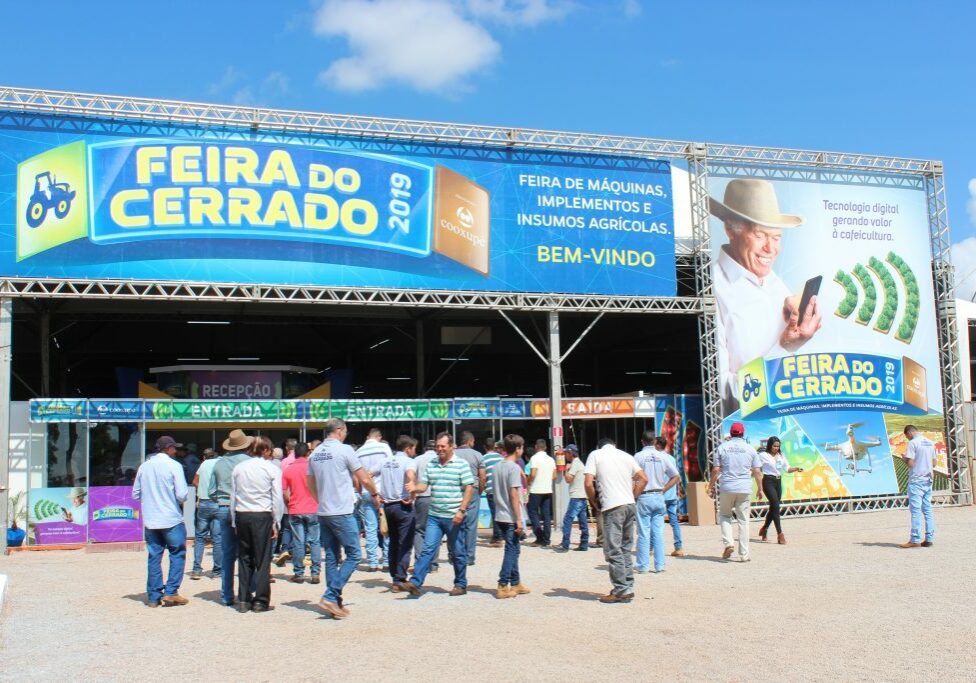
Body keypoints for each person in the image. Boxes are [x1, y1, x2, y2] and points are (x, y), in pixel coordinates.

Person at [710, 178, 822, 415]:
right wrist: (784, 347)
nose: (771, 249)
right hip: (741, 431)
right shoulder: (713, 288)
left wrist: (799, 339)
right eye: (760, 235)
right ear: (730, 229)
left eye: (777, 237)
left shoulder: (777, 286)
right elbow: (720, 390)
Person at [307, 418, 381, 619]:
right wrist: (375, 494)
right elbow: (364, 478)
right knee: (355, 554)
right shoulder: (345, 450)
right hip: (342, 510)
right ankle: (331, 595)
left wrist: (319, 500)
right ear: (339, 430)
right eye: (345, 431)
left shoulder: (315, 454)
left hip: (324, 511)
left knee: (332, 557)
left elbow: (310, 482)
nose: (346, 435)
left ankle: (335, 603)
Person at [402, 432, 474, 597]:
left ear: (451, 446)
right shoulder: (432, 463)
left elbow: (469, 487)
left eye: (442, 446)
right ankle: (415, 582)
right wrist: (414, 488)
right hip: (435, 515)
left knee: (457, 551)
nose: (439, 449)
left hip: (454, 516)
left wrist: (461, 510)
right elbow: (424, 485)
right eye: (437, 447)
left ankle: (460, 584)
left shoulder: (461, 464)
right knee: (428, 549)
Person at [584, 437, 647, 604]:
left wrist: (593, 501)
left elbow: (588, 483)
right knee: (625, 548)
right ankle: (628, 587)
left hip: (612, 506)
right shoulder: (626, 456)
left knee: (613, 549)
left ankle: (620, 590)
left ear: (600, 446)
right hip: (629, 504)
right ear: (614, 445)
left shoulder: (595, 455)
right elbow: (643, 479)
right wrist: (633, 495)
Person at [132, 436, 190, 607]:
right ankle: (171, 591)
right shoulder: (174, 466)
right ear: (169, 448)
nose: (176, 451)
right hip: (171, 518)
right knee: (177, 553)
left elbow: (135, 493)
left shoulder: (144, 466)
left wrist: (151, 498)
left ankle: (153, 596)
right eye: (174, 448)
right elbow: (182, 494)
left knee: (154, 556)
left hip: (151, 519)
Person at [230, 436, 284, 613]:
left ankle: (244, 599)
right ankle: (261, 601)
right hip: (262, 514)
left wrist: (233, 519)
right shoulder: (271, 468)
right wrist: (277, 521)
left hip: (242, 513)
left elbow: (233, 495)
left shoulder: (239, 468)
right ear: (266, 450)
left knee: (244, 557)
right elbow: (276, 497)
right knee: (262, 558)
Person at [208, 428, 254, 607]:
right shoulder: (249, 462)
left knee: (228, 554)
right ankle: (247, 591)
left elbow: (211, 490)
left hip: (223, 507)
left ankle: (226, 595)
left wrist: (221, 499)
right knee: (247, 552)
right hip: (243, 508)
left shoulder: (218, 463)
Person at [708, 422, 763, 561]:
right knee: (743, 520)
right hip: (744, 487)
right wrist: (760, 489)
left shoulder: (722, 447)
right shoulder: (750, 449)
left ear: (731, 433)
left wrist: (711, 485)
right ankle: (744, 555)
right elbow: (757, 471)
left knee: (725, 516)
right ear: (743, 434)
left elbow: (715, 470)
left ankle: (729, 543)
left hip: (727, 486)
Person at [634, 431, 681, 574]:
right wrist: (664, 489)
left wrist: (633, 495)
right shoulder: (663, 456)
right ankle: (660, 565)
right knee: (658, 532)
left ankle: (643, 565)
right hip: (659, 496)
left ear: (642, 441)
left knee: (643, 532)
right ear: (654, 442)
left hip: (644, 495)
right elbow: (676, 476)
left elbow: (633, 477)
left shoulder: (638, 456)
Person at [378, 436, 418, 590]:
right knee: (405, 542)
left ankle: (394, 574)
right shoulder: (409, 462)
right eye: (413, 448)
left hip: (388, 506)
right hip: (403, 505)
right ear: (408, 448)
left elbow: (368, 473)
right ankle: (400, 578)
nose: (414, 452)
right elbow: (410, 475)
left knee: (393, 541)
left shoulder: (385, 461)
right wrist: (412, 491)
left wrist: (376, 493)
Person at [493, 434, 530, 599]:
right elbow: (514, 494)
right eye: (521, 447)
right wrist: (519, 519)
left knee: (514, 549)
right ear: (517, 448)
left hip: (500, 514)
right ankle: (502, 584)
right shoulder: (513, 468)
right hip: (510, 516)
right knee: (511, 550)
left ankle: (516, 582)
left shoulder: (497, 466)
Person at [282, 443, 320, 584]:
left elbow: (284, 493)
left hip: (295, 508)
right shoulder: (313, 468)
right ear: (307, 453)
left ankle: (299, 573)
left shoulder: (288, 469)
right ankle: (315, 573)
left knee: (299, 542)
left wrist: (289, 504)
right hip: (313, 508)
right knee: (315, 541)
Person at [355, 428, 393, 571]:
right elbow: (390, 465)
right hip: (382, 492)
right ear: (379, 436)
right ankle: (387, 561)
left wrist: (360, 490)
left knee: (370, 528)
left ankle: (372, 562)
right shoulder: (384, 447)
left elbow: (356, 475)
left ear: (367, 437)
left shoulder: (358, 452)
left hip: (365, 492)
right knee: (386, 527)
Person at [757, 436, 803, 544]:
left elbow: (787, 469)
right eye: (774, 446)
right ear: (769, 445)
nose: (776, 448)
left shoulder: (781, 456)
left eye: (778, 446)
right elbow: (756, 467)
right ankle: (780, 534)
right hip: (768, 481)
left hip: (778, 482)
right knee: (776, 506)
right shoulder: (763, 455)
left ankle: (764, 529)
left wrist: (795, 469)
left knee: (774, 507)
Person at [900, 425, 936, 548]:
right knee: (927, 510)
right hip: (928, 478)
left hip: (916, 479)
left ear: (909, 432)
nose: (907, 438)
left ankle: (915, 539)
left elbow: (910, 464)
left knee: (915, 511)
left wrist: (904, 459)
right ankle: (929, 538)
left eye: (907, 436)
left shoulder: (913, 443)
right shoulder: (930, 442)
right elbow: (934, 462)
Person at [453, 431, 486, 565]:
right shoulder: (477, 455)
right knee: (471, 525)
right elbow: (483, 476)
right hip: (473, 489)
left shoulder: (453, 454)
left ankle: (455, 554)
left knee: (456, 523)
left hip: (456, 490)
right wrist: (480, 490)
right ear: (470, 441)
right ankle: (469, 556)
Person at [190, 447, 222, 580]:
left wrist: (202, 488)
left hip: (203, 502)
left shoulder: (202, 465)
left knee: (200, 538)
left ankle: (196, 569)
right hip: (217, 502)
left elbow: (194, 481)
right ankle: (217, 570)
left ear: (204, 457)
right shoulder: (220, 464)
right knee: (217, 539)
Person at [411, 440, 441, 572]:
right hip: (437, 498)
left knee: (419, 531)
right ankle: (433, 564)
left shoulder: (417, 459)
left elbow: (411, 477)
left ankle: (420, 562)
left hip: (422, 498)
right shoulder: (440, 459)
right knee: (436, 531)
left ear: (424, 448)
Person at [653, 437, 686, 557]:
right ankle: (678, 547)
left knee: (655, 521)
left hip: (659, 494)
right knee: (674, 521)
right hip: (671, 494)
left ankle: (653, 546)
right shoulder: (671, 458)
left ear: (657, 445)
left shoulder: (656, 458)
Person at [557, 444, 589, 551]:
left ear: (570, 453)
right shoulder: (580, 463)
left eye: (566, 453)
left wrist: (566, 469)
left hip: (576, 496)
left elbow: (568, 479)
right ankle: (584, 544)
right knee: (583, 521)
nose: (565, 455)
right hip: (583, 496)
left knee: (567, 520)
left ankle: (565, 543)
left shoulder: (575, 464)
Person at [527, 439, 556, 546]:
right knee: (546, 515)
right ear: (546, 448)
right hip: (547, 489)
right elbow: (554, 476)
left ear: (536, 447)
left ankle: (539, 536)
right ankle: (547, 538)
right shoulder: (551, 459)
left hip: (536, 489)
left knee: (533, 512)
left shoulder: (534, 458)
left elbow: (533, 474)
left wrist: (528, 482)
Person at [483, 440, 504, 547]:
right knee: (500, 512)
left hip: (491, 489)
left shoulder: (483, 458)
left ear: (485, 447)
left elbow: (483, 475)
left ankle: (497, 537)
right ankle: (501, 534)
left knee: (494, 513)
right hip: (501, 489)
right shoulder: (501, 458)